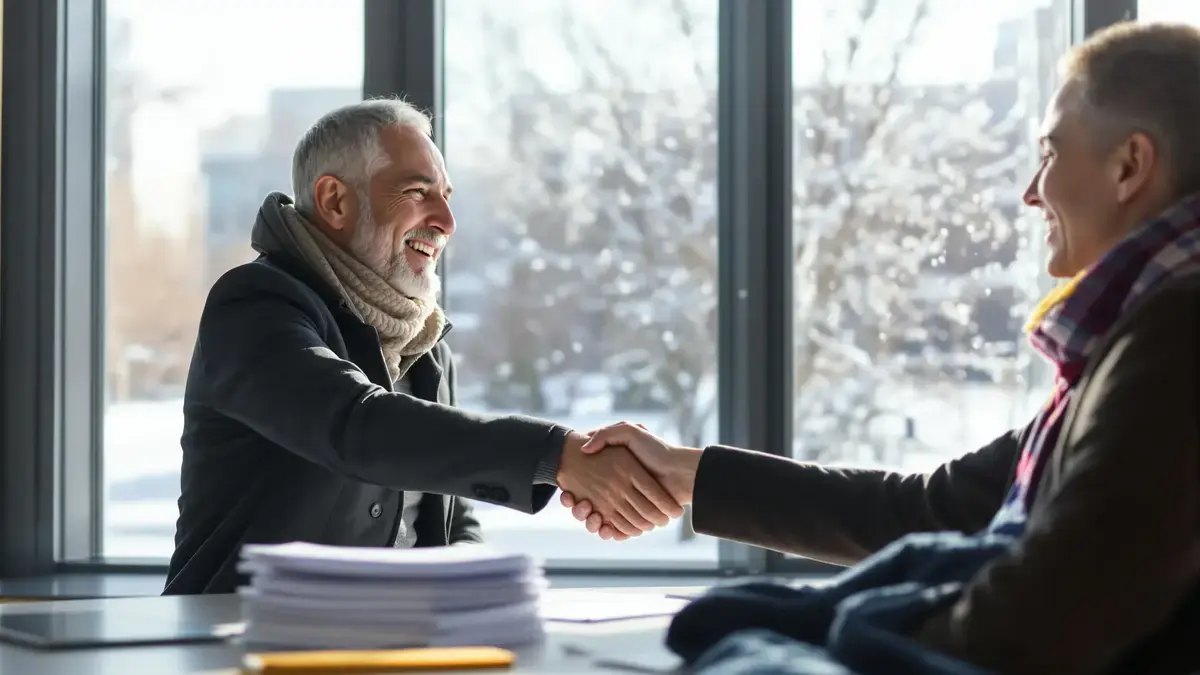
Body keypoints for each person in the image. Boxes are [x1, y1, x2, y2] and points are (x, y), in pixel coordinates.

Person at [566, 21, 1200, 674]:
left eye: (1050, 151)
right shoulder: (1137, 336)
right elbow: (936, 508)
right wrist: (688, 472)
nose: (1032, 190)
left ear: (1129, 165)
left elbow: (1052, 611)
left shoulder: (1176, 337)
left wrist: (856, 637)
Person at [164, 99, 682, 595]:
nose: (446, 222)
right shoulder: (254, 306)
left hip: (397, 648)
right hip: (239, 645)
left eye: (447, 197)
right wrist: (560, 455)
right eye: (418, 192)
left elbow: (453, 519)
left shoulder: (426, 346)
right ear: (335, 201)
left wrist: (478, 589)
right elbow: (357, 425)